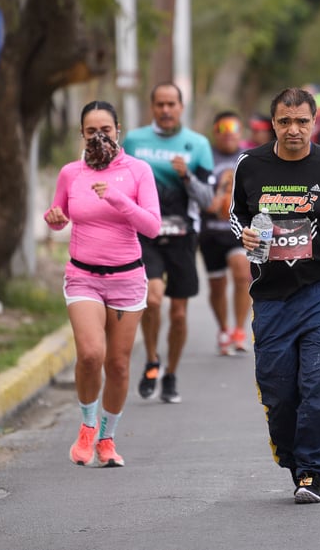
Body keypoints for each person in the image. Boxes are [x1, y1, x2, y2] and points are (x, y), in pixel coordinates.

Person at [230, 87, 320, 504]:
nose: (294, 130)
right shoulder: (250, 165)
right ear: (273, 124)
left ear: (314, 122)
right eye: (285, 121)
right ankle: (291, 457)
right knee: (280, 393)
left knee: (319, 384)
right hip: (270, 298)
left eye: (302, 121)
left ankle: (311, 471)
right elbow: (237, 215)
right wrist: (245, 235)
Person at [44, 101, 161, 467]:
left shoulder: (138, 171)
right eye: (91, 131)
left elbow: (152, 226)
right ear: (82, 134)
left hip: (127, 279)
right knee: (91, 355)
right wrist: (54, 219)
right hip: (83, 276)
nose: (99, 137)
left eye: (105, 130)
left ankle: (108, 439)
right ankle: (87, 426)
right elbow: (60, 216)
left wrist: (114, 196)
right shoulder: (70, 173)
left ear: (118, 131)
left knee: (119, 364)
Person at [122, 82, 214, 403]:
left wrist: (187, 175)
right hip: (145, 235)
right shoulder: (133, 141)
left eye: (171, 104)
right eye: (159, 104)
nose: (165, 110)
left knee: (178, 313)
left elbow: (207, 198)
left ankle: (171, 374)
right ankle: (151, 359)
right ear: (152, 107)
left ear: (180, 107)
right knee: (154, 298)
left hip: (183, 237)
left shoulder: (197, 144)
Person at [201, 111, 251, 355]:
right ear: (215, 132)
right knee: (217, 286)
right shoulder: (206, 157)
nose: (229, 134)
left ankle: (240, 330)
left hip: (238, 231)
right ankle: (223, 329)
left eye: (234, 129)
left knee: (243, 275)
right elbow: (195, 190)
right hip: (211, 231)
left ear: (240, 133)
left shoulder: (249, 158)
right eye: (223, 129)